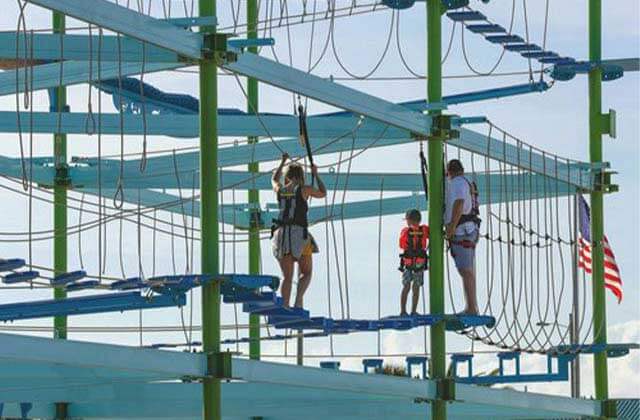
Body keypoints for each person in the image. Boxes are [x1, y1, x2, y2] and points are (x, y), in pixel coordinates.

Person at [271, 153, 327, 308]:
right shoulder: (304, 190)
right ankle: (298, 300)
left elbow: (273, 180)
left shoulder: (280, 190)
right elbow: (323, 193)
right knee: (306, 273)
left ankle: (285, 305)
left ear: (287, 177)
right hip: (299, 234)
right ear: (301, 176)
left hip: (281, 234)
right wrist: (316, 175)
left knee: (287, 277)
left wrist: (282, 162)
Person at [445, 159, 481, 315]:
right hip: (471, 229)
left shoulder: (457, 183)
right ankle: (472, 307)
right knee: (468, 270)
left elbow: (459, 203)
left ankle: (471, 308)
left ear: (449, 172)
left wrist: (452, 226)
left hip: (461, 230)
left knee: (465, 271)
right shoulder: (467, 183)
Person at [398, 209, 429, 317]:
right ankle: (414, 311)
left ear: (409, 220)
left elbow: (401, 245)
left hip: (408, 264)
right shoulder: (424, 229)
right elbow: (431, 234)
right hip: (419, 264)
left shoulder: (405, 231)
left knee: (406, 287)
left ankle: (403, 311)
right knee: (416, 287)